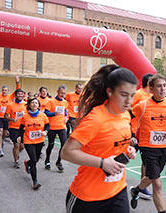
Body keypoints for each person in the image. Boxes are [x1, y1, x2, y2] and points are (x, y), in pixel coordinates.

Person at [61, 65, 137, 213]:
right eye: (123, 94)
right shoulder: (96, 119)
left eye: (132, 95)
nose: (129, 101)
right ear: (110, 92)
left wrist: (128, 150)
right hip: (87, 197)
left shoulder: (125, 114)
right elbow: (66, 152)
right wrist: (102, 163)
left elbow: (114, 144)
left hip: (117, 191)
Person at [130, 74, 166, 213]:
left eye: (164, 86)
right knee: (157, 184)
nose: (163, 89)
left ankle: (136, 190)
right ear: (151, 89)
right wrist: (132, 135)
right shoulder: (143, 105)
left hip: (164, 147)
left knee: (152, 177)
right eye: (159, 86)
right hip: (148, 147)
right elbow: (129, 118)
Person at [130, 73, 153, 200]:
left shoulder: (152, 96)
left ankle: (142, 186)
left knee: (145, 160)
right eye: (151, 81)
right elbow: (131, 111)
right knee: (124, 155)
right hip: (135, 130)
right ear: (146, 82)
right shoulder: (139, 94)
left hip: (146, 132)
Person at [19, 98, 49, 190]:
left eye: (36, 103)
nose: (34, 104)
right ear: (29, 105)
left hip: (40, 140)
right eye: (32, 103)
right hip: (28, 140)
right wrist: (20, 137)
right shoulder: (25, 116)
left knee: (35, 159)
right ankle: (35, 181)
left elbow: (48, 125)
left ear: (38, 105)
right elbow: (21, 127)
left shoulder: (43, 116)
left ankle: (27, 163)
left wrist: (46, 131)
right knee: (33, 160)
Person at [0, 73, 20, 157]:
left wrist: (17, 82)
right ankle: (0, 149)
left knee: (4, 133)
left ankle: (3, 141)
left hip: (7, 117)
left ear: (8, 91)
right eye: (3, 90)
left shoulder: (10, 96)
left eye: (6, 90)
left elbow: (17, 91)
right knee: (0, 132)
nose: (4, 91)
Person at [44, 85, 68, 172]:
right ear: (57, 92)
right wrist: (54, 113)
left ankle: (59, 161)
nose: (62, 95)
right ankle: (47, 160)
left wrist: (66, 117)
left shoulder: (65, 102)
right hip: (52, 127)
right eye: (61, 93)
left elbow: (65, 111)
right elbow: (46, 112)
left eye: (64, 93)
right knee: (50, 145)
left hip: (61, 126)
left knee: (64, 145)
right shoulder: (51, 101)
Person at [5, 89, 26, 168]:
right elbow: (6, 116)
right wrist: (12, 119)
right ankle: (16, 161)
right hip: (14, 127)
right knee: (16, 144)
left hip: (23, 127)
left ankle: (17, 153)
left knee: (22, 146)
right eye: (18, 94)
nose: (20, 95)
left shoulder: (26, 104)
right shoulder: (10, 105)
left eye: (21, 94)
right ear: (15, 95)